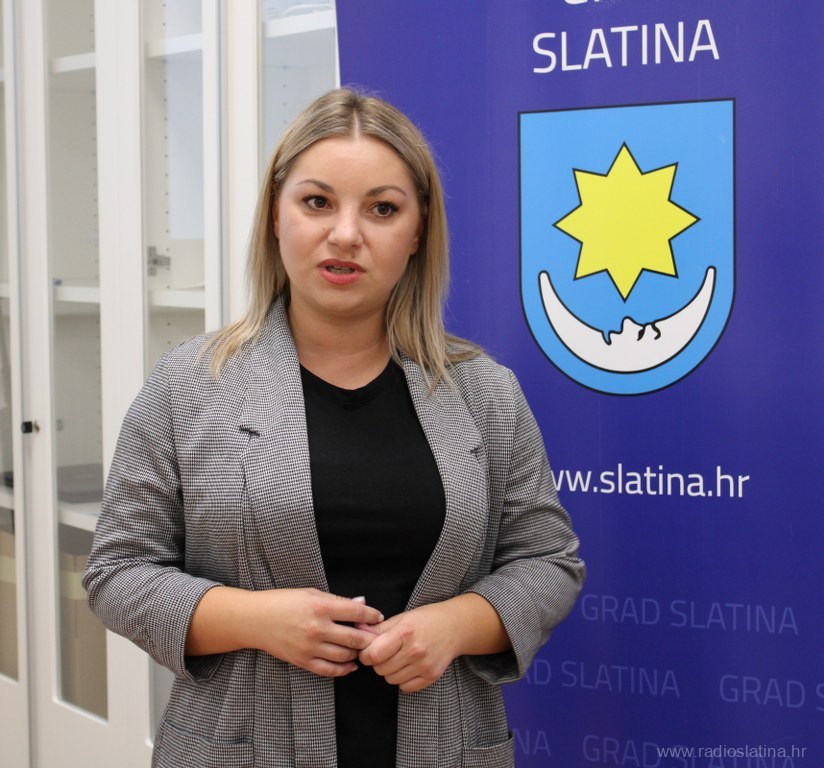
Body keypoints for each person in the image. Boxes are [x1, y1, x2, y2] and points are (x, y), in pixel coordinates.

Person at [84, 87, 585, 768]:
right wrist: (255, 619)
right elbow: (118, 573)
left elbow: (548, 561)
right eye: (317, 202)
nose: (346, 234)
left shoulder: (486, 393)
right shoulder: (187, 386)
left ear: (417, 233)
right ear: (275, 215)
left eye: (382, 209)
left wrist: (459, 624)